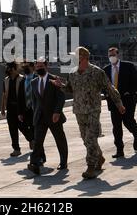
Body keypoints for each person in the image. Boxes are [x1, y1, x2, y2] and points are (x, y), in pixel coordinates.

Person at [54, 47, 125, 179]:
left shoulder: (97, 72)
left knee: (90, 138)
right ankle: (99, 157)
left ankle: (90, 167)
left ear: (83, 57)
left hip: (93, 110)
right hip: (79, 111)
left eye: (76, 56)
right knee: (85, 140)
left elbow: (109, 88)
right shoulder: (73, 73)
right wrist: (60, 85)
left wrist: (119, 103)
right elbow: (70, 89)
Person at [27, 58, 68, 176]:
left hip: (54, 116)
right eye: (37, 67)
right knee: (38, 141)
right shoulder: (33, 82)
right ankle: (34, 162)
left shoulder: (54, 79)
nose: (39, 68)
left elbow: (61, 98)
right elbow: (34, 101)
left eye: (41, 66)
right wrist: (35, 113)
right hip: (40, 117)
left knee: (60, 140)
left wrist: (57, 112)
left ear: (46, 66)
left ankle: (63, 162)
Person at [103, 47, 137, 158]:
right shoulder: (105, 69)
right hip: (113, 102)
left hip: (128, 100)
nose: (112, 57)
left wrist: (129, 92)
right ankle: (119, 150)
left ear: (118, 55)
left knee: (128, 121)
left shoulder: (129, 66)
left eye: (113, 55)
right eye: (110, 55)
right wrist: (106, 94)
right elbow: (103, 85)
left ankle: (136, 135)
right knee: (116, 126)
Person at [0, 62, 32, 157]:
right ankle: (16, 149)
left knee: (22, 126)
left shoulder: (22, 79)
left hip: (20, 107)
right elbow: (4, 94)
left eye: (9, 68)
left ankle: (31, 139)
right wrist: (2, 108)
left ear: (13, 69)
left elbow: (26, 94)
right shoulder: (5, 80)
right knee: (12, 128)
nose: (7, 70)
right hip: (10, 108)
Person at [17, 60, 46, 163]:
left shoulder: (37, 79)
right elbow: (20, 97)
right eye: (23, 66)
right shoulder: (22, 81)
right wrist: (20, 112)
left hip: (36, 110)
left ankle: (41, 157)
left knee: (37, 134)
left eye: (27, 66)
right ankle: (31, 140)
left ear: (33, 68)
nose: (24, 68)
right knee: (20, 125)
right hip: (26, 110)